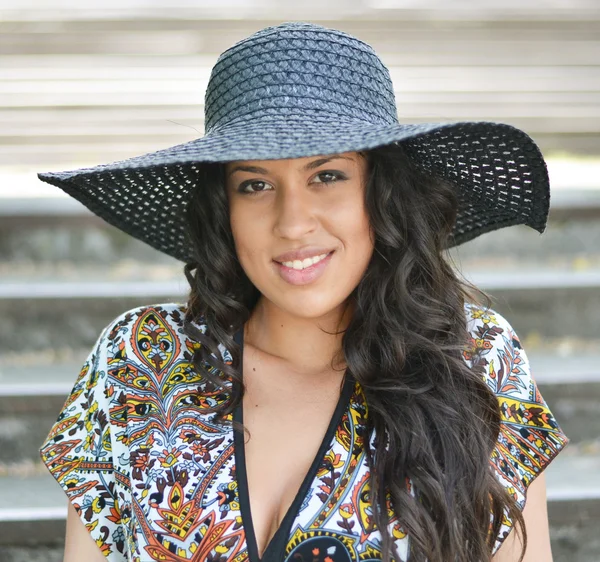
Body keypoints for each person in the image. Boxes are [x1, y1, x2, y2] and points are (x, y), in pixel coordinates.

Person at [37, 21, 569, 562]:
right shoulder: (140, 361)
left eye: (328, 175)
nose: (292, 224)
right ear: (226, 211)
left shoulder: (474, 361)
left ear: (382, 195)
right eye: (256, 185)